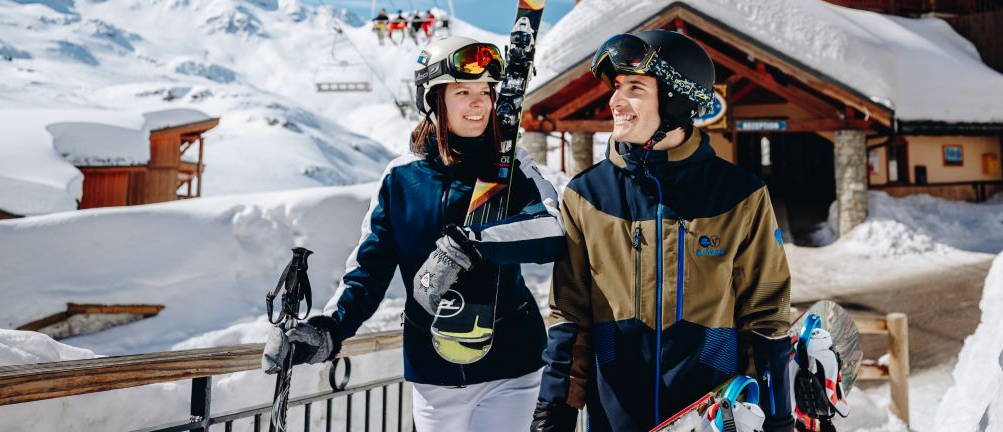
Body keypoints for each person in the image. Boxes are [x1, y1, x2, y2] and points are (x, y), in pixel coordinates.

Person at [263, 36, 566, 431]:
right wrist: (329, 331)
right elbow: (368, 272)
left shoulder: (512, 169)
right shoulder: (401, 178)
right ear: (432, 99)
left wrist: (469, 245)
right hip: (433, 374)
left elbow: (552, 230)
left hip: (511, 369)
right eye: (463, 91)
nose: (480, 103)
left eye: (486, 92)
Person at [530, 30, 795, 432]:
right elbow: (570, 314)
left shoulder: (739, 195)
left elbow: (766, 315)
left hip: (711, 416)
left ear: (677, 98)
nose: (615, 101)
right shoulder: (587, 196)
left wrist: (777, 416)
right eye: (617, 88)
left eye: (634, 88)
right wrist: (556, 406)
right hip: (616, 416)